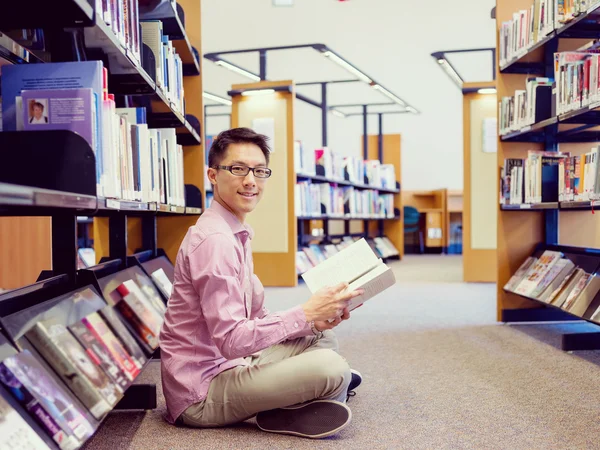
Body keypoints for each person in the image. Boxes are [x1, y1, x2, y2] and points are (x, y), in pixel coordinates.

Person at [159, 127, 364, 439]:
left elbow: (255, 320)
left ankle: (292, 404)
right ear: (213, 175)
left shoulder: (236, 232)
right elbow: (231, 339)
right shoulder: (215, 241)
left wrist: (314, 322)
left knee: (322, 340)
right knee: (331, 368)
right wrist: (305, 314)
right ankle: (310, 395)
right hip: (200, 392)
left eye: (258, 171)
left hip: (234, 362)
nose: (250, 181)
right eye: (238, 169)